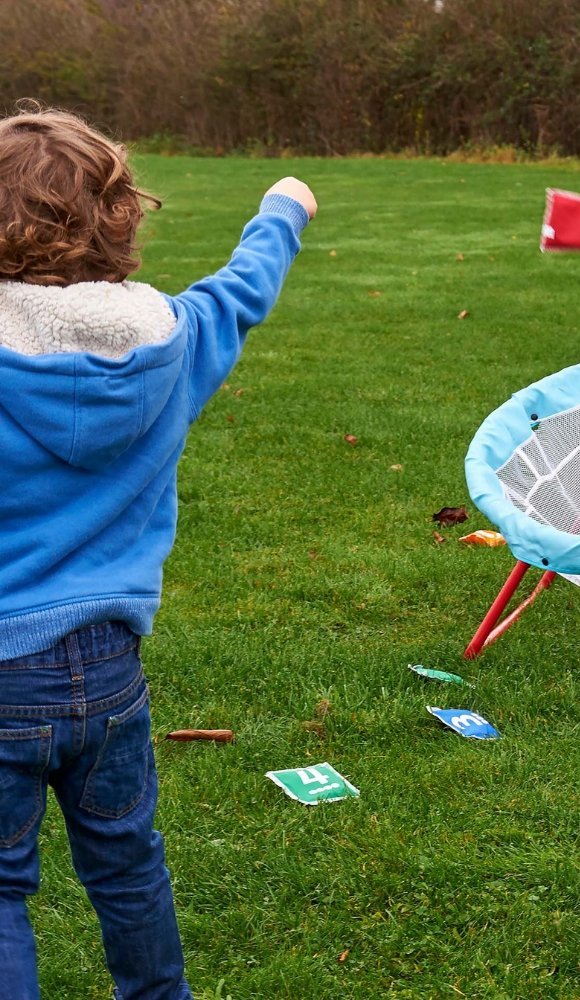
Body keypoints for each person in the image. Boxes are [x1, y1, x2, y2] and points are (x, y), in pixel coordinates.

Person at [0, 101, 317, 999]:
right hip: (108, 673)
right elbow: (243, 288)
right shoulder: (171, 344)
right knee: (127, 863)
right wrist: (283, 209)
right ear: (120, 218)